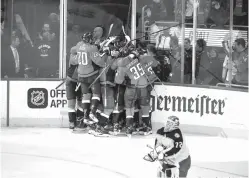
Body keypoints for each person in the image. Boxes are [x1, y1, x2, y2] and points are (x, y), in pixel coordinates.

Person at [111, 43, 159, 136]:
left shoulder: (123, 62)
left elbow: (120, 79)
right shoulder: (143, 58)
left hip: (131, 87)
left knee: (129, 107)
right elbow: (155, 63)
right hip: (143, 87)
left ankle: (129, 127)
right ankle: (146, 127)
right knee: (144, 106)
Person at [71, 32, 107, 127]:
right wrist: (104, 59)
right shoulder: (92, 48)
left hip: (81, 75)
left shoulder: (79, 45)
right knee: (96, 94)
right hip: (91, 75)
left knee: (86, 95)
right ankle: (93, 112)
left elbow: (76, 51)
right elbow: (99, 62)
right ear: (90, 39)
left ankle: (86, 116)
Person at [65, 50, 84, 130]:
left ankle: (79, 120)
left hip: (81, 82)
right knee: (71, 103)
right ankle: (72, 121)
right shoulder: (73, 55)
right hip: (71, 81)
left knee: (81, 103)